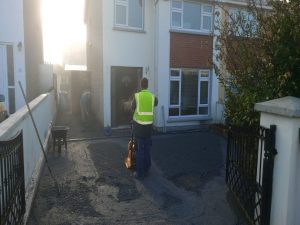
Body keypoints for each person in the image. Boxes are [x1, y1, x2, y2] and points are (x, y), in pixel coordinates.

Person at [131, 77, 158, 180]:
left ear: (141, 85)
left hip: (139, 128)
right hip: (148, 129)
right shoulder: (152, 97)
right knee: (147, 150)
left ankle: (140, 172)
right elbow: (156, 102)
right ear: (147, 85)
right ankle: (147, 169)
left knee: (139, 151)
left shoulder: (137, 96)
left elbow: (132, 108)